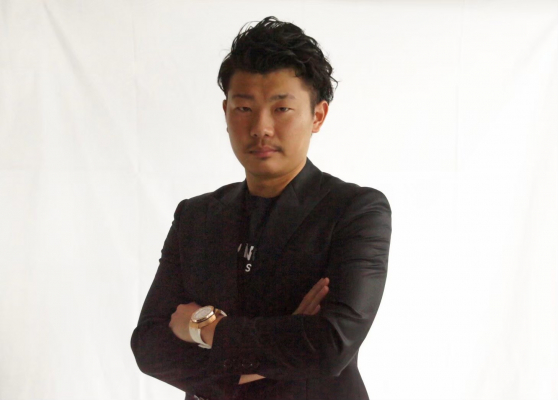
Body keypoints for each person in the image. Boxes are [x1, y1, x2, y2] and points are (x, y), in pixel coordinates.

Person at [131, 16, 392, 400]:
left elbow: (329, 346)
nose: (260, 127)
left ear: (317, 115)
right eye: (244, 108)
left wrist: (204, 326)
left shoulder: (355, 211)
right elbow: (150, 346)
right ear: (226, 112)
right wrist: (280, 348)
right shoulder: (195, 216)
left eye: (281, 108)